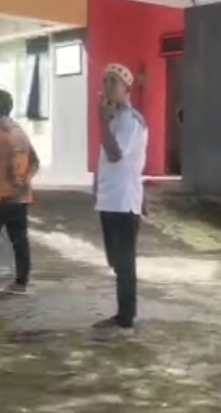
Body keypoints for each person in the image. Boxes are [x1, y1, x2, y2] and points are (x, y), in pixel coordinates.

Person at [92, 63, 148, 336]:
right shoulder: (115, 119)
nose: (108, 87)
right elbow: (105, 160)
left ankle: (126, 318)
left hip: (123, 201)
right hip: (110, 199)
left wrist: (101, 119)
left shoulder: (129, 120)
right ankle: (123, 313)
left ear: (127, 88)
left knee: (124, 263)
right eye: (106, 81)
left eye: (114, 82)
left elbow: (115, 155)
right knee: (116, 260)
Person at [0, 89, 40, 295]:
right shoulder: (20, 132)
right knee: (19, 240)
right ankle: (21, 282)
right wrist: (24, 180)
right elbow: (35, 162)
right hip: (20, 196)